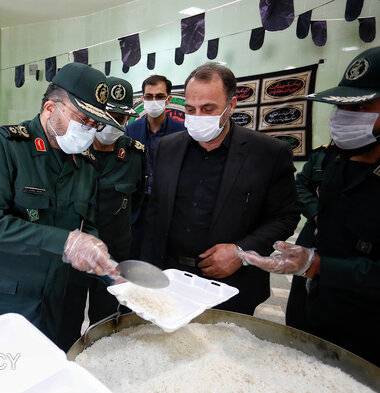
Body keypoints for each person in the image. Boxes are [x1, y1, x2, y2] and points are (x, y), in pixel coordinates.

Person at [0, 63, 120, 344]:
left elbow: (85, 225)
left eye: (96, 124)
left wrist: (107, 267)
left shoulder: (84, 163)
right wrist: (65, 242)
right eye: (83, 120)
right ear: (51, 109)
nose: (90, 131)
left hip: (52, 303)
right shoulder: (6, 146)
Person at [239, 46, 380, 366]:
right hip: (316, 311)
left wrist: (316, 265)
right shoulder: (335, 162)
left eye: (361, 108)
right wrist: (303, 264)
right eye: (341, 107)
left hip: (367, 333)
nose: (344, 118)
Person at [142, 62, 300, 315]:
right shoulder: (168, 147)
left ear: (231, 105)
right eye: (191, 109)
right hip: (170, 276)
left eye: (208, 109)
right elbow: (156, 209)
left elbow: (285, 216)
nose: (197, 118)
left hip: (231, 285)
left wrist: (241, 252)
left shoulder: (268, 153)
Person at [58, 77, 146, 351]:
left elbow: (138, 201)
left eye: (120, 117)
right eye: (107, 115)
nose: (113, 123)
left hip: (114, 255)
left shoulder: (135, 154)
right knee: (66, 319)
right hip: (73, 254)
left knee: (107, 320)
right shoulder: (71, 148)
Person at [125, 75, 185, 258]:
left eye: (159, 96)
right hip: (138, 208)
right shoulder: (131, 130)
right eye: (149, 96)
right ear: (142, 99)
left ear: (168, 99)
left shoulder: (181, 131)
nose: (154, 101)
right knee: (135, 257)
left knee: (162, 258)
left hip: (168, 208)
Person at [285, 142, 332, 332]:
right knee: (300, 304)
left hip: (356, 247)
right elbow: (301, 185)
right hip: (314, 234)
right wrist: (317, 213)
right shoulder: (323, 155)